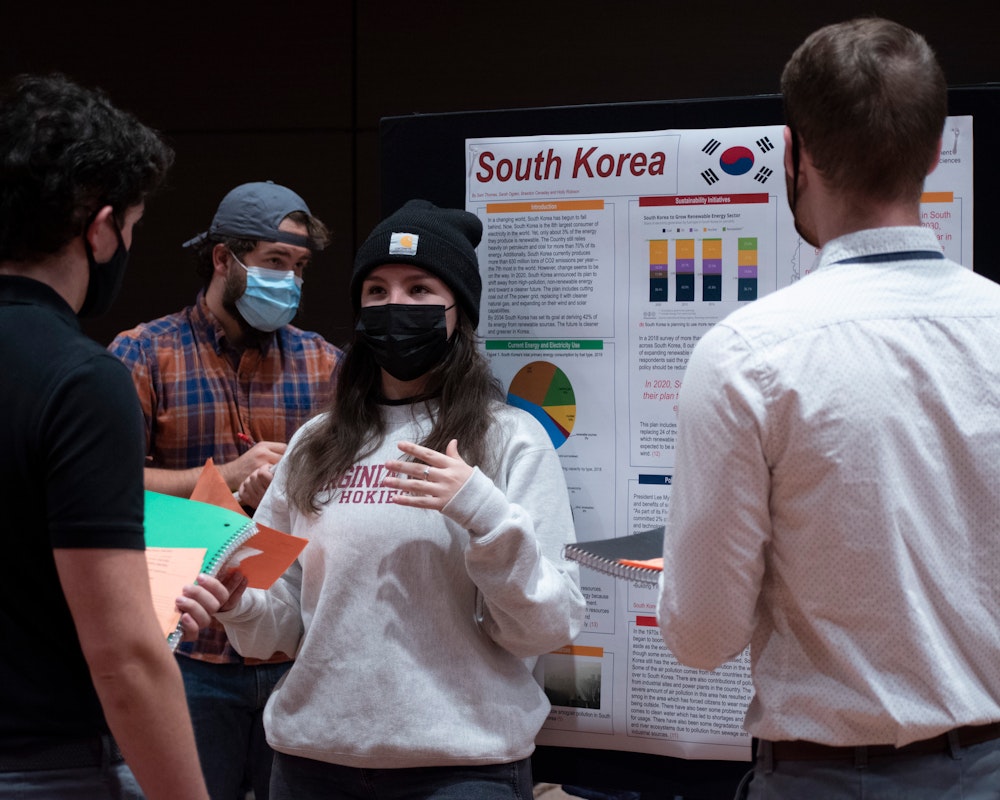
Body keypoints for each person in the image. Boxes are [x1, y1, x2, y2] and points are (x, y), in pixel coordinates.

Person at [656, 17, 1000, 800]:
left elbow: (703, 637)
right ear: (935, 150)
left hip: (826, 781)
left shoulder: (747, 353)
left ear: (794, 153)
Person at [177, 199, 586, 799]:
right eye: (377, 291)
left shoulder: (508, 440)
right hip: (310, 763)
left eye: (420, 289)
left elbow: (545, 626)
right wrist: (239, 603)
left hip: (462, 769)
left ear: (458, 312)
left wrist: (485, 512)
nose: (396, 306)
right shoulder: (315, 443)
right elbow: (277, 626)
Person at [0, 74, 209, 799]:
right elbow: (123, 658)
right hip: (44, 767)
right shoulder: (80, 380)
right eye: (133, 227)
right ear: (99, 226)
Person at [109, 180, 342, 799]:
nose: (289, 282)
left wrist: (295, 485)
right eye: (274, 263)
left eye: (299, 268)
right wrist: (226, 477)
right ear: (223, 259)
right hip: (187, 653)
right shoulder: (142, 354)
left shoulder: (326, 365)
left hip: (295, 651)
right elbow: (102, 490)